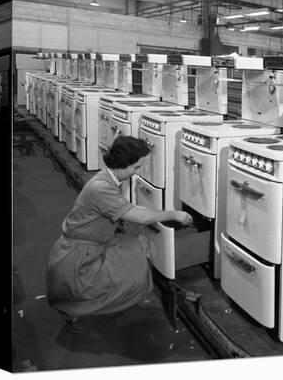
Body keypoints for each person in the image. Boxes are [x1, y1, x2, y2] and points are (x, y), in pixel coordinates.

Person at [46, 136, 193, 333]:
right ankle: (76, 313)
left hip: (88, 245)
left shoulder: (109, 178)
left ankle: (83, 307)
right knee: (116, 279)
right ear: (124, 164)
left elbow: (128, 209)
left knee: (136, 245)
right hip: (79, 256)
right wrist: (174, 214)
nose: (137, 172)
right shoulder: (101, 188)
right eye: (137, 167)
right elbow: (138, 216)